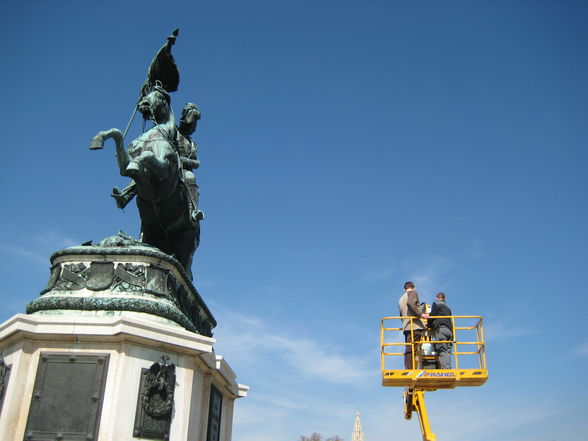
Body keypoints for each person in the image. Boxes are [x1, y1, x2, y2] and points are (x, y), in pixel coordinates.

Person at [398, 281, 429, 369]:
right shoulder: (413, 293)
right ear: (414, 287)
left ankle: (409, 368)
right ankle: (410, 369)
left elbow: (401, 314)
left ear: (404, 289)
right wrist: (421, 314)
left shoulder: (401, 299)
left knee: (409, 348)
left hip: (407, 326)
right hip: (415, 326)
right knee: (412, 349)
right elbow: (411, 303)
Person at [428, 292, 453, 369]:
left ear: (436, 298)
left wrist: (429, 325)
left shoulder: (436, 304)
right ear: (445, 299)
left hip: (441, 329)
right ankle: (447, 367)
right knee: (448, 350)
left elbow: (432, 316)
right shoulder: (448, 307)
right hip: (450, 330)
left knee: (442, 349)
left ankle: (447, 370)